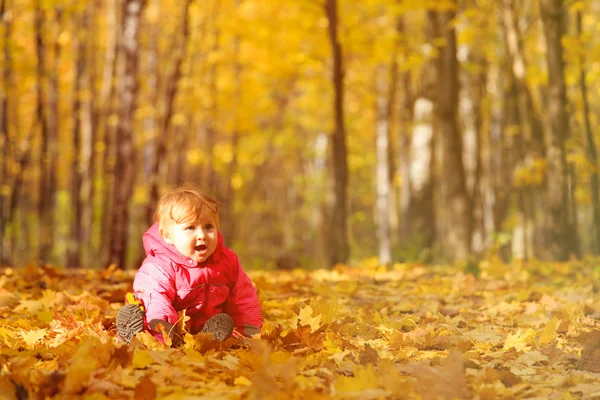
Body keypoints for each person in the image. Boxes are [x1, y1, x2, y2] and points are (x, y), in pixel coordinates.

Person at [116, 185, 262, 344]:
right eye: (190, 228)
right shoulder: (159, 266)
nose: (202, 235)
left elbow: (244, 297)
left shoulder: (227, 261)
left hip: (206, 324)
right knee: (146, 312)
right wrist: (165, 335)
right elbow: (157, 301)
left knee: (222, 324)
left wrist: (250, 332)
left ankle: (208, 338)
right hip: (163, 324)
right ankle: (133, 335)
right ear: (167, 236)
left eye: (208, 227)